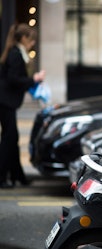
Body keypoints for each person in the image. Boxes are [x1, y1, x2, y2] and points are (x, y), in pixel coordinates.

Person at [0, 23, 45, 188]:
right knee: (9, 139)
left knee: (12, 138)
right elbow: (13, 79)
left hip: (6, 102)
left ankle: (17, 176)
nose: (32, 44)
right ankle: (3, 177)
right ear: (24, 38)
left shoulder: (15, 52)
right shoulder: (16, 54)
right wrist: (34, 79)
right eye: (31, 40)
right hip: (5, 102)